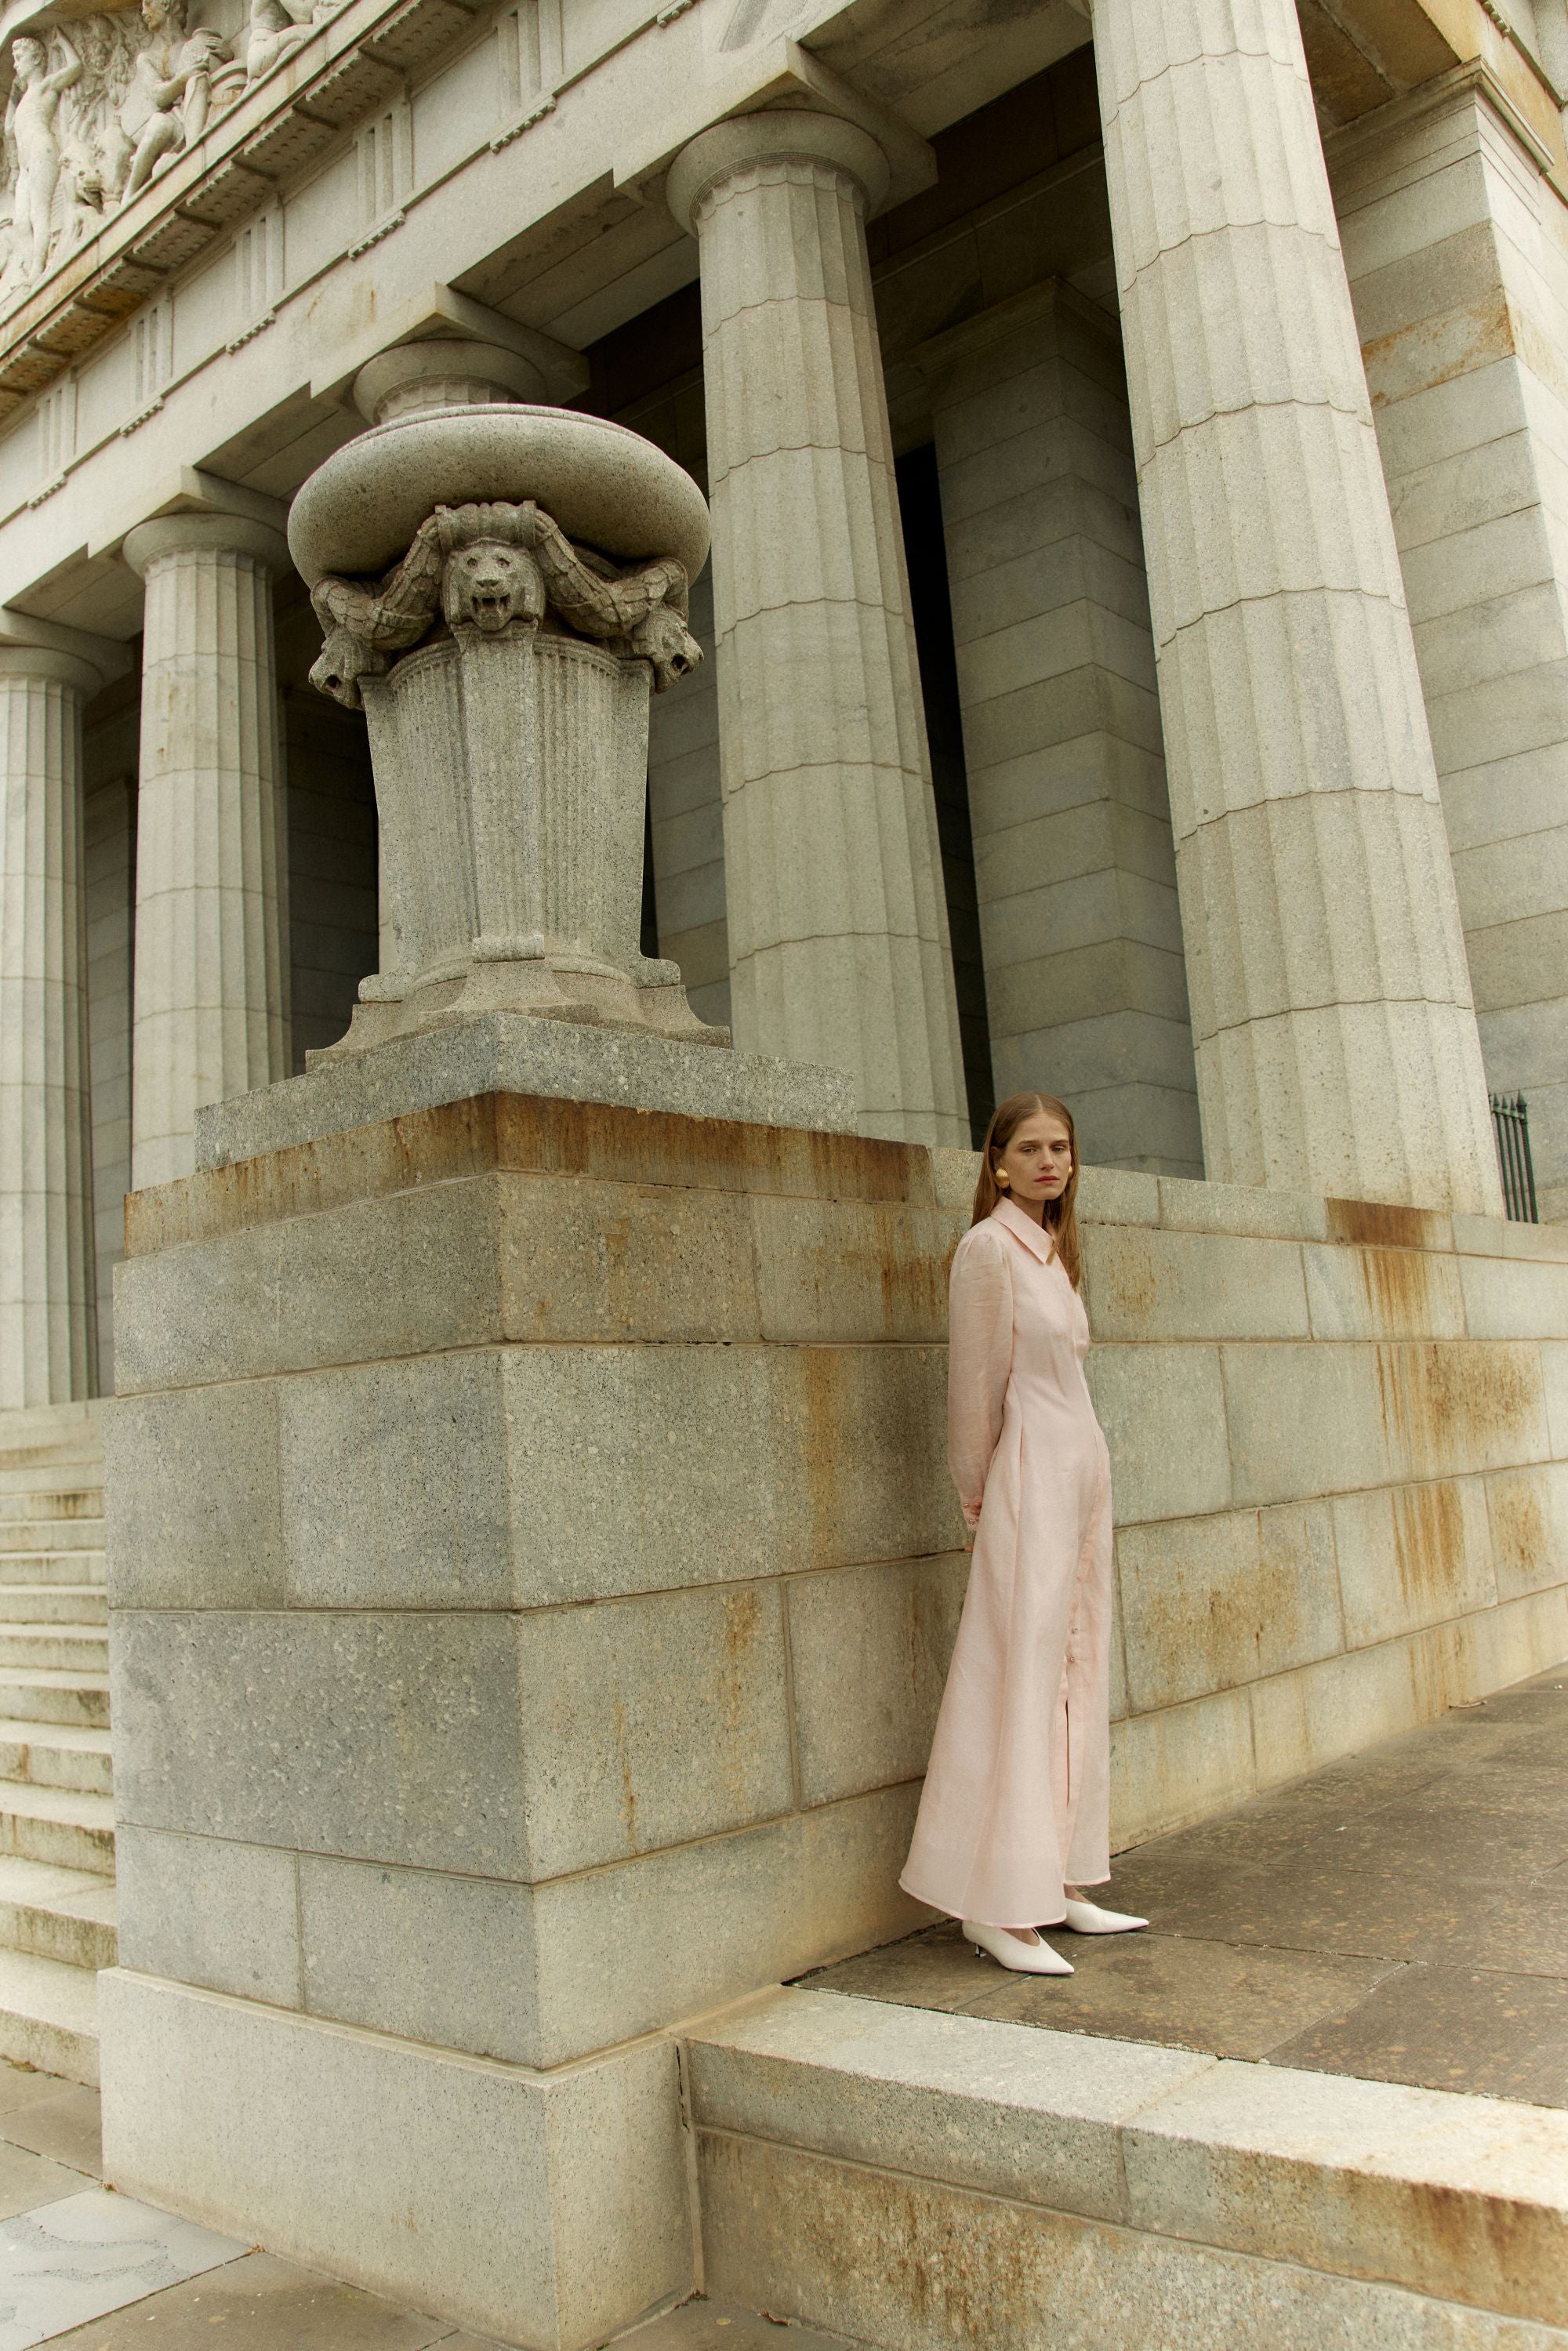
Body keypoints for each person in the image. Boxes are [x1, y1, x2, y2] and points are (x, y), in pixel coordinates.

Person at [899, 1091, 1149, 1974]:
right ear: (997, 1162)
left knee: (1075, 1670)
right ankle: (996, 1908)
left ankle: (1060, 1878)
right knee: (1017, 1679)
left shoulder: (1053, 1255)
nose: (1049, 1161)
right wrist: (977, 1505)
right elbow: (973, 1391)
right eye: (1031, 1148)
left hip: (1079, 1478)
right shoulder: (986, 1251)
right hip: (1027, 1482)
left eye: (1061, 1147)